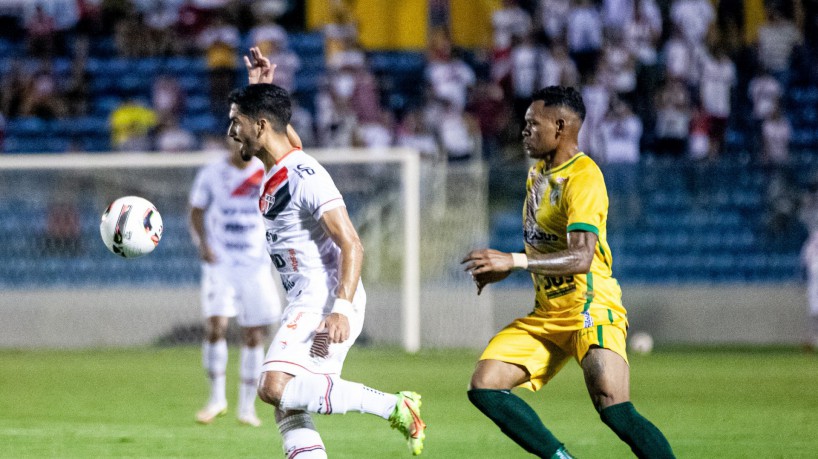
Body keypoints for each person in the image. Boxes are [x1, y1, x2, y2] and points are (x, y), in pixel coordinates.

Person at [228, 48, 426, 457]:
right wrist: (260, 88)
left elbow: (351, 241)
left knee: (272, 387)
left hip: (324, 300)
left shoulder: (307, 176)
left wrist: (340, 307)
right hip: (307, 298)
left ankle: (395, 405)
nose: (231, 132)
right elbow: (285, 137)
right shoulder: (282, 162)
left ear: (259, 126)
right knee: (289, 405)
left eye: (237, 123)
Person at [462, 86, 675, 459]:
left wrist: (513, 261)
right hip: (548, 312)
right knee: (486, 384)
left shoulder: (584, 177)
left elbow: (580, 257)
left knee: (612, 404)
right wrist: (505, 270)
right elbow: (542, 243)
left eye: (532, 124)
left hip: (589, 305)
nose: (524, 131)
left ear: (560, 126)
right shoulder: (537, 175)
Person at [189, 136, 284, 427]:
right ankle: (216, 399)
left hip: (255, 265)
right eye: (233, 140)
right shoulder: (211, 174)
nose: (238, 145)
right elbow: (196, 211)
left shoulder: (265, 171)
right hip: (221, 263)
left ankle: (246, 408)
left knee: (255, 333)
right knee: (216, 326)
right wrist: (203, 244)